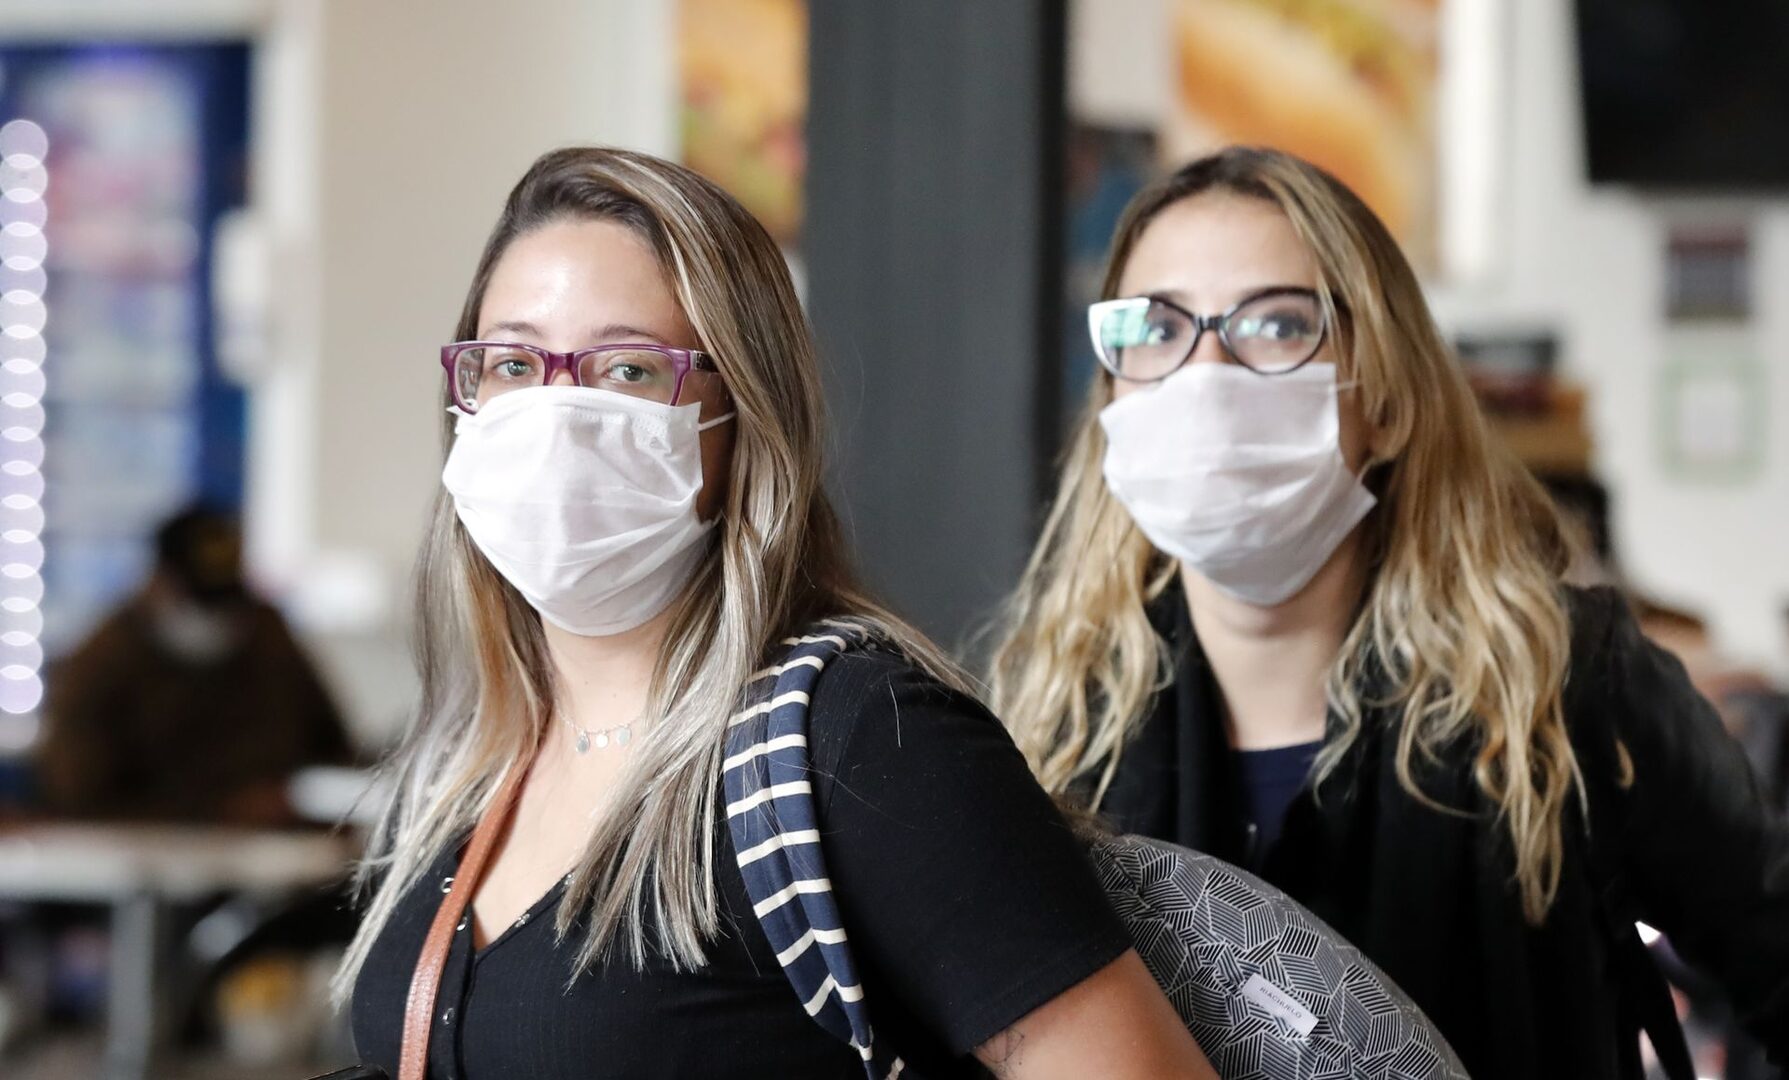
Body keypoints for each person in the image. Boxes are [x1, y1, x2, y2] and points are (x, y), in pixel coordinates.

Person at [337, 147, 1211, 1079]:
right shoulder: (462, 767)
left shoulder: (861, 744)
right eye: (513, 362)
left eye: (628, 369)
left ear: (742, 419)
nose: (556, 414)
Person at [989, 146, 1789, 1079]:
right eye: (1154, 328)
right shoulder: (1057, 724)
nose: (1204, 376)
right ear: (1110, 389)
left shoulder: (1562, 684)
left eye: (1278, 325)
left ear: (1387, 400)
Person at [36, 504, 351, 824]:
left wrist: (301, 801)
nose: (214, 618)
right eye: (196, 601)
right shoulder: (103, 661)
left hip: (276, 845)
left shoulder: (269, 638)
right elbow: (78, 794)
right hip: (142, 845)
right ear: (157, 583)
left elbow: (334, 747)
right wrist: (219, 812)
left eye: (224, 603)